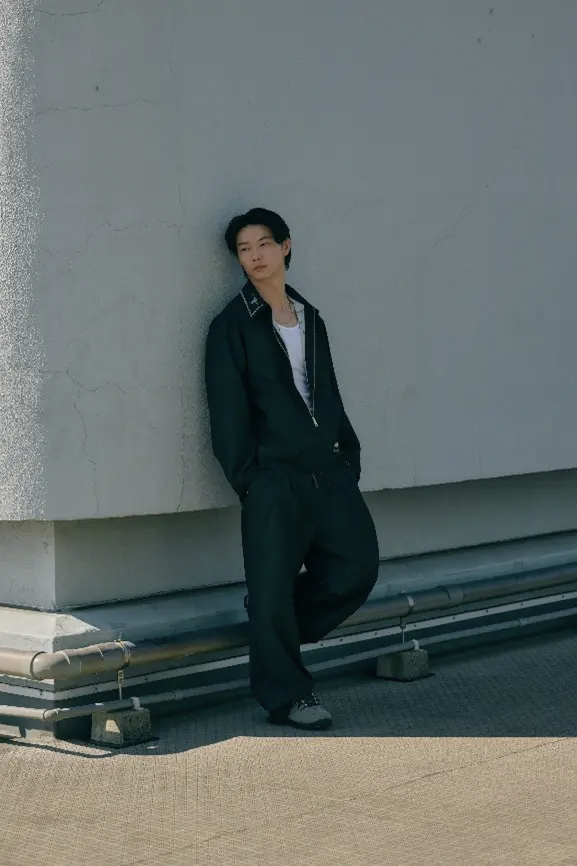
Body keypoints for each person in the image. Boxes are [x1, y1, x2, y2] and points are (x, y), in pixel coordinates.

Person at [205, 207, 379, 730]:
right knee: (273, 588)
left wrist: (348, 455)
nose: (254, 256)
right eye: (244, 249)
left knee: (356, 568)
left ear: (285, 246)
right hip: (272, 480)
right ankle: (289, 697)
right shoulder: (232, 326)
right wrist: (250, 480)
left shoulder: (310, 318)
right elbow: (228, 414)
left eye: (263, 244)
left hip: (328, 472)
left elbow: (326, 392)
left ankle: (270, 625)